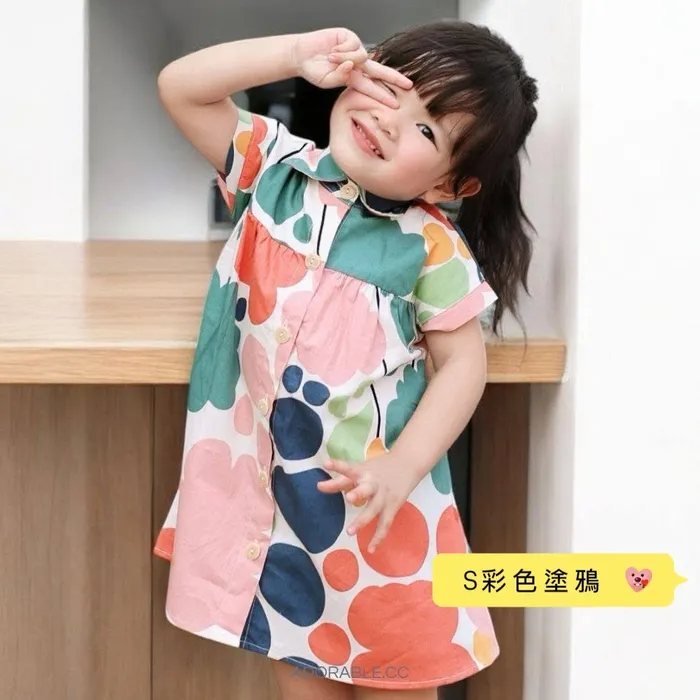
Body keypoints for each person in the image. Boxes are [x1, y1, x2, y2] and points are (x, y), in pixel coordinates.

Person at [153, 19, 538, 700]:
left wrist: (402, 466)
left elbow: (464, 366)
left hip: (376, 516)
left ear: (453, 184)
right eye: (394, 90)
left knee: (400, 679)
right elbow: (180, 88)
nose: (390, 121)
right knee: (299, 671)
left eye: (427, 130)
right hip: (279, 518)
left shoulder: (430, 249)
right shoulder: (275, 171)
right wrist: (294, 53)